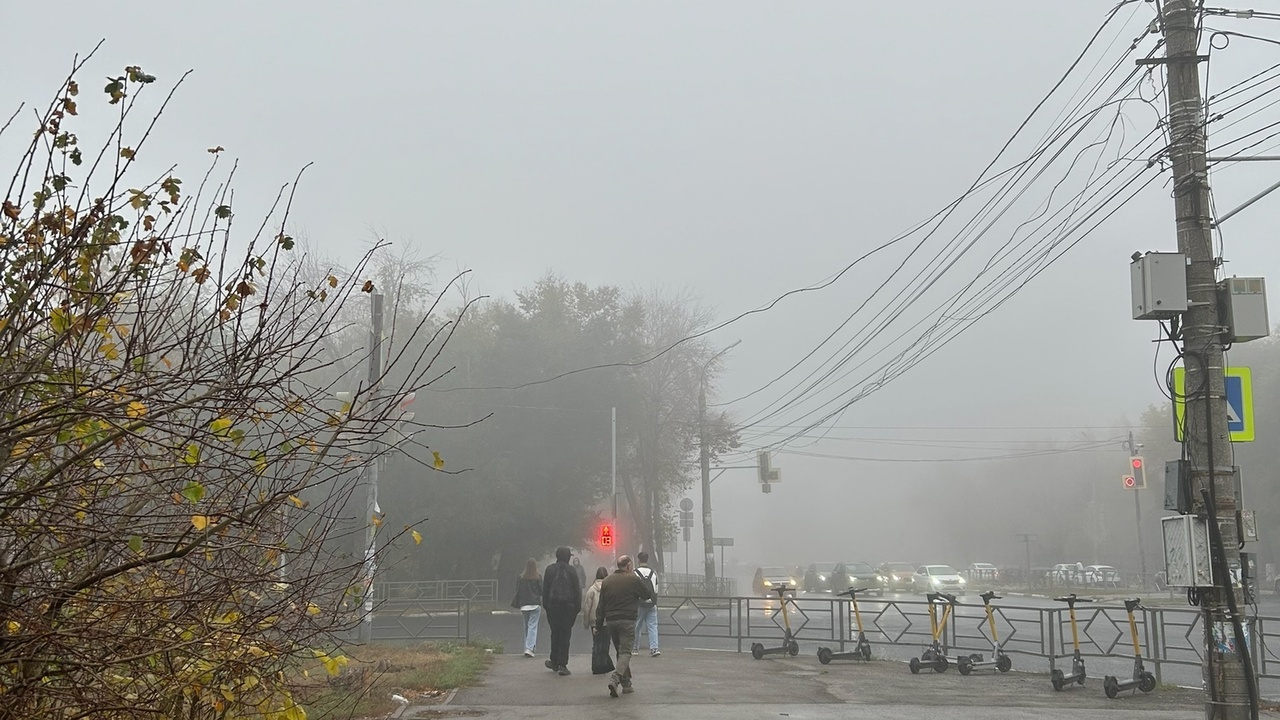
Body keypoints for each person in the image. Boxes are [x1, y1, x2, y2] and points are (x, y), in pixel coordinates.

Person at [596, 554, 654, 697]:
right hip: (627, 620)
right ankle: (615, 679)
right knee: (625, 652)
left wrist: (598, 624)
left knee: (620, 652)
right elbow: (647, 595)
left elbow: (601, 605)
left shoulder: (607, 581)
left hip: (611, 621)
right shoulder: (633, 579)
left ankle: (627, 684)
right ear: (628, 566)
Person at [541, 546, 582, 676]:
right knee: (565, 635)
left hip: (553, 606)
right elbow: (577, 590)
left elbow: (545, 590)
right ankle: (563, 665)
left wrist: (547, 606)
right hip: (568, 607)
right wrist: (577, 608)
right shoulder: (571, 571)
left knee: (555, 633)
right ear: (568, 557)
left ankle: (554, 660)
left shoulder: (550, 570)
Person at [583, 566, 613, 675]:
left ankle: (596, 666)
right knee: (606, 643)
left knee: (596, 643)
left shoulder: (591, 590)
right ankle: (604, 664)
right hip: (607, 620)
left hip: (594, 621)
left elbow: (587, 607)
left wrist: (586, 622)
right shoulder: (610, 588)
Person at [511, 558, 543, 658]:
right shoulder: (538, 577)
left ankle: (528, 647)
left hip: (524, 604)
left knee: (526, 626)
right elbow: (541, 591)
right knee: (532, 626)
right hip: (535, 604)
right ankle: (529, 648)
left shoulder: (520, 577)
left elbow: (517, 590)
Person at [633, 551, 660, 657]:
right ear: (647, 560)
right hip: (652, 604)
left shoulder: (635, 573)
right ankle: (654, 648)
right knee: (653, 626)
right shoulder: (653, 573)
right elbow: (656, 589)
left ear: (638, 560)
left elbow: (633, 588)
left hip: (639, 603)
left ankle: (635, 648)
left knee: (636, 626)